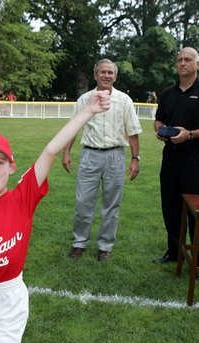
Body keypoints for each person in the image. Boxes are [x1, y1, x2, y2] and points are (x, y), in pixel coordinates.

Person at [0, 90, 111, 342]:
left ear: (11, 167)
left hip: (9, 297)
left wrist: (87, 111)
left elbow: (50, 150)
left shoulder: (22, 198)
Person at [152, 47, 199, 280]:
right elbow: (158, 119)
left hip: (195, 157)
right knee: (171, 207)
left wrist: (191, 134)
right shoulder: (168, 93)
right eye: (179, 60)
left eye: (188, 60)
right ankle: (175, 252)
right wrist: (161, 131)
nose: (183, 63)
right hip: (171, 156)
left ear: (198, 64)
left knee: (197, 211)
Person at [63, 58, 142, 261]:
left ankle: (105, 246)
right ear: (95, 75)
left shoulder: (124, 100)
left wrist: (135, 158)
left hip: (116, 156)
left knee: (112, 205)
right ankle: (79, 242)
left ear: (115, 76)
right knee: (83, 202)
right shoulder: (85, 100)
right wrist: (66, 152)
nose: (107, 75)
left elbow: (132, 131)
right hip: (90, 155)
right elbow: (74, 127)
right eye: (103, 72)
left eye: (110, 72)